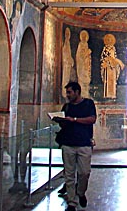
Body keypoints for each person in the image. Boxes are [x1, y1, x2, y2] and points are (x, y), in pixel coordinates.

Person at [52, 81, 97, 211]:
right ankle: (72, 202)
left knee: (84, 173)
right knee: (69, 174)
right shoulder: (66, 107)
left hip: (84, 143)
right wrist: (60, 120)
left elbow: (92, 119)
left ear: (77, 92)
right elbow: (64, 124)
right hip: (68, 143)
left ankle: (81, 192)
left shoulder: (88, 103)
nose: (67, 95)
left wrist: (75, 120)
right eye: (67, 92)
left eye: (69, 92)